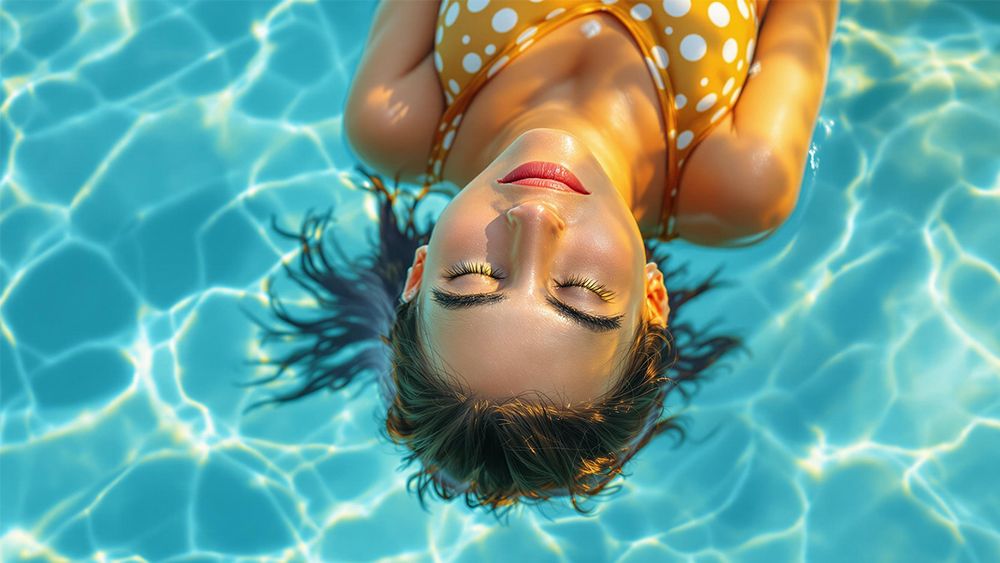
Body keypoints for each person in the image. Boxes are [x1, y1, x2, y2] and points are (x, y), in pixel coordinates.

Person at [245, 0, 837, 515]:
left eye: (475, 276)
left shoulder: (396, 118)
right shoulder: (736, 183)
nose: (534, 221)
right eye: (578, 288)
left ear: (418, 273)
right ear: (652, 299)